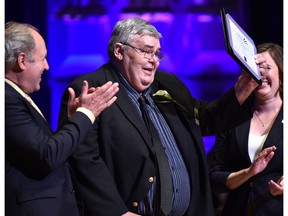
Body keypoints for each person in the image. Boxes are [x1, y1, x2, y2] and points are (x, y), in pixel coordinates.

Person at [58, 17, 266, 216]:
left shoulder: (170, 84)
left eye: (157, 54)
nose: (154, 61)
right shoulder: (91, 90)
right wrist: (115, 212)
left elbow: (206, 119)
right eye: (146, 52)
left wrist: (241, 90)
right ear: (119, 51)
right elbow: (83, 160)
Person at [5, 21, 119, 216]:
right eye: (43, 59)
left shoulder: (15, 97)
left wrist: (72, 120)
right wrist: (87, 113)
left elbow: (47, 151)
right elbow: (47, 156)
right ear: (22, 60)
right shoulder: (6, 99)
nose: (47, 66)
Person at [208, 43, 283, 216]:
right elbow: (214, 178)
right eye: (256, 67)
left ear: (281, 72)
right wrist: (248, 173)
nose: (260, 72)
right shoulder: (234, 116)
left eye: (267, 67)